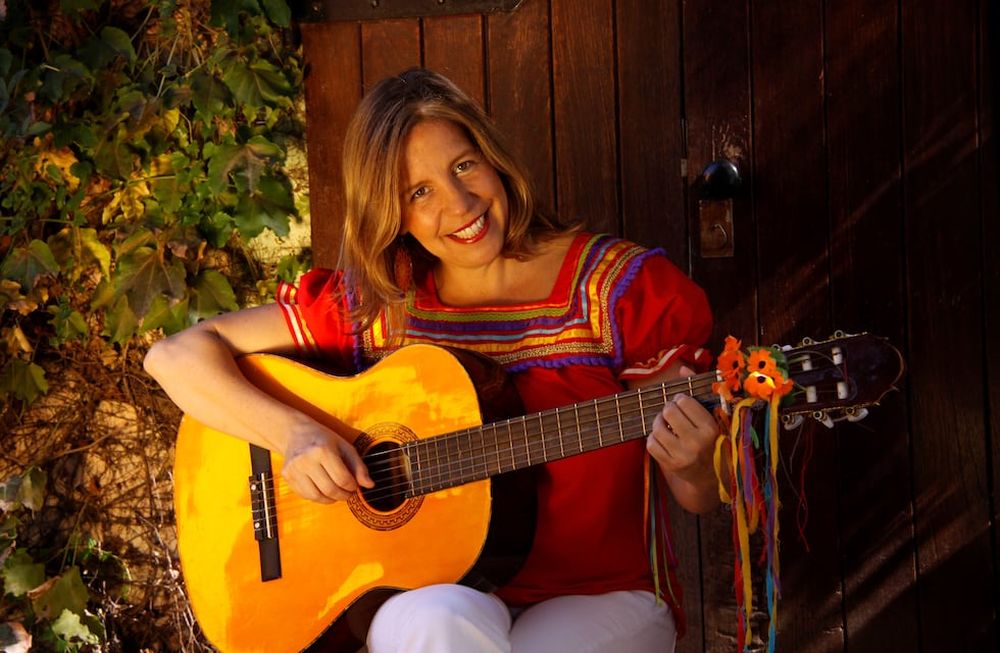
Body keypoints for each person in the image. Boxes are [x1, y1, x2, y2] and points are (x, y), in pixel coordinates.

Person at [145, 68, 721, 653]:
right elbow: (175, 357)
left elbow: (699, 494)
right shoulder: (378, 307)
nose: (461, 204)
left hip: (601, 595)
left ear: (493, 158)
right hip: (445, 591)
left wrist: (696, 463)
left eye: (464, 165)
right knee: (428, 623)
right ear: (390, 214)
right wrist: (295, 435)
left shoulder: (622, 289)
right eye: (418, 193)